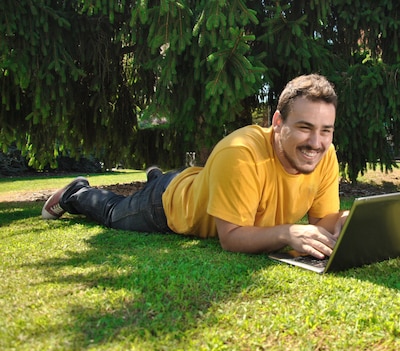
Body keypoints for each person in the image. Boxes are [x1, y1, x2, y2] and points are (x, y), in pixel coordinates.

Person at [42, 74, 348, 259]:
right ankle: (76, 194)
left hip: (199, 184)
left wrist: (343, 222)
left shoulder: (326, 155)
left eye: (326, 130)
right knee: (113, 213)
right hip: (169, 206)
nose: (316, 142)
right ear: (278, 123)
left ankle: (156, 177)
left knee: (168, 181)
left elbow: (322, 220)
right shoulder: (241, 152)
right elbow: (231, 238)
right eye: (305, 127)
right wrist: (287, 234)